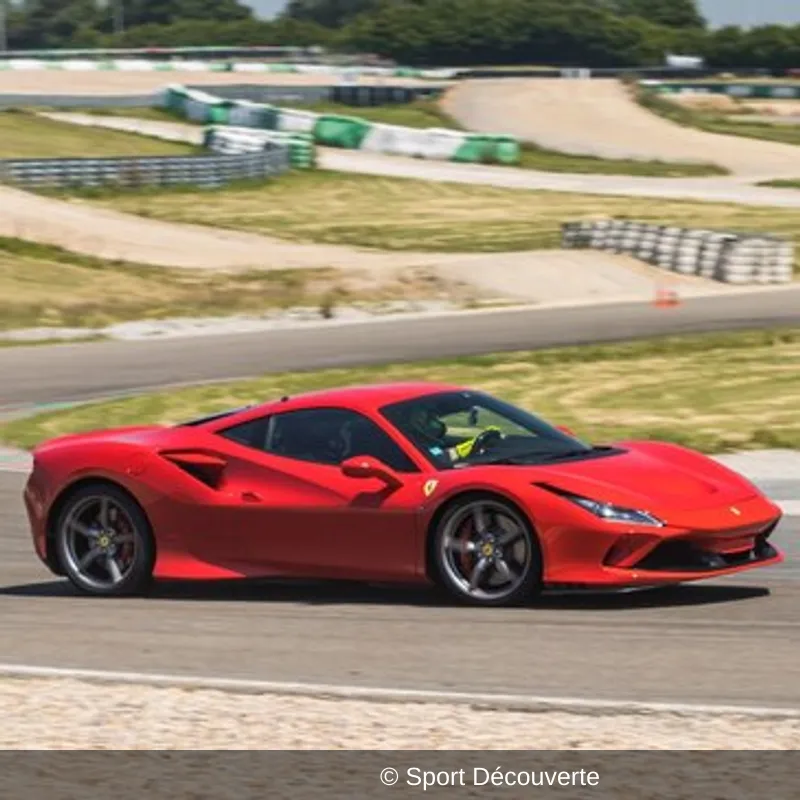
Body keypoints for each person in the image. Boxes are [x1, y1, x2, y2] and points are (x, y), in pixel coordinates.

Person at [406, 406, 502, 465]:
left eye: (433, 416)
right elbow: (443, 458)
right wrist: (472, 444)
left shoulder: (433, 442)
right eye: (428, 419)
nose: (436, 422)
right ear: (417, 425)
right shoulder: (419, 446)